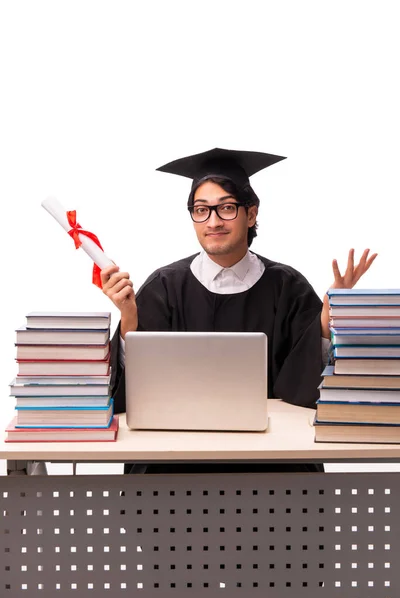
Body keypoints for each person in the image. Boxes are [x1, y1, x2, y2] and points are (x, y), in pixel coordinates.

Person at [101, 148, 377, 473]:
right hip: (177, 459)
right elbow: (134, 393)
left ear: (251, 214)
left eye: (227, 208)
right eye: (201, 210)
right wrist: (129, 320)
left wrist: (326, 322)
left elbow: (304, 387)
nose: (213, 221)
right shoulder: (164, 288)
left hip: (269, 462)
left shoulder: (288, 288)